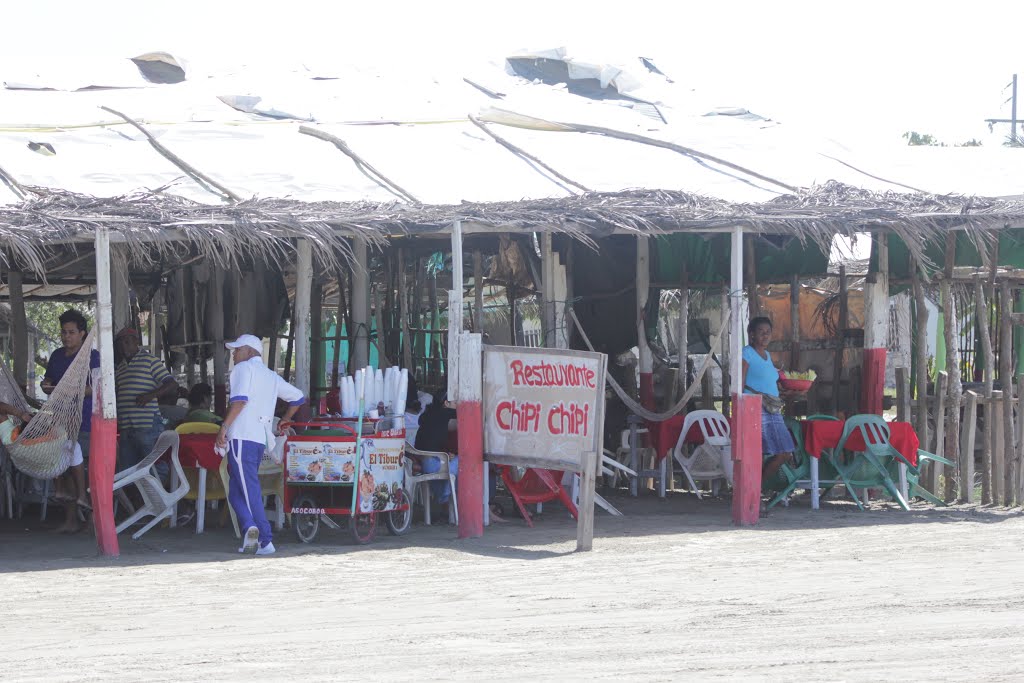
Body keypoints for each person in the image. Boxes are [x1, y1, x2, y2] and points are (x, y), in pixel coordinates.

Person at [217, 333, 305, 555]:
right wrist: (285, 419)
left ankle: (265, 540)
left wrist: (224, 428)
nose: (234, 354)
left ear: (249, 351)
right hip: (258, 440)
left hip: (241, 437)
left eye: (237, 350)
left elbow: (239, 401)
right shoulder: (271, 376)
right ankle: (250, 527)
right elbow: (298, 397)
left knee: (247, 489)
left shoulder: (242, 370)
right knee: (237, 490)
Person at [41, 309, 100, 533]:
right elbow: (49, 380)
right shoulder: (57, 356)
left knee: (88, 470)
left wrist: (70, 390)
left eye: (71, 332)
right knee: (61, 465)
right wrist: (46, 386)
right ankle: (71, 520)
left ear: (83, 333)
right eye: (64, 332)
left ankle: (94, 519)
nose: (66, 337)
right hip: (60, 421)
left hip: (85, 422)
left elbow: (97, 386)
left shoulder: (91, 357)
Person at [741, 316, 802, 503]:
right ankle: (752, 493)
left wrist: (786, 393)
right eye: (761, 331)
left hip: (773, 409)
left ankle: (758, 486)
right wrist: (751, 399)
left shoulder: (768, 357)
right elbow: (738, 384)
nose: (765, 335)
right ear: (752, 335)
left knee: (784, 452)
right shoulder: (747, 353)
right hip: (754, 409)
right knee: (756, 453)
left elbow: (770, 384)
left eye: (768, 332)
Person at [114, 328, 178, 473]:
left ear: (136, 342)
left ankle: (159, 494)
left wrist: (150, 395)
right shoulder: (120, 368)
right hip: (126, 427)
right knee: (129, 470)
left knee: (155, 467)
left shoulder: (150, 361)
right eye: (120, 343)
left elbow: (172, 384)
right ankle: (138, 496)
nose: (123, 346)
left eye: (127, 341)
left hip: (147, 425)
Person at [413, 388, 459, 516]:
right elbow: (464, 423)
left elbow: (433, 441)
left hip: (424, 462)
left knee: (450, 465)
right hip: (433, 463)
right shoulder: (448, 414)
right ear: (446, 403)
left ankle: (445, 499)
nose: (458, 405)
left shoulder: (427, 415)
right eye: (455, 402)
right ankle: (447, 497)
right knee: (463, 462)